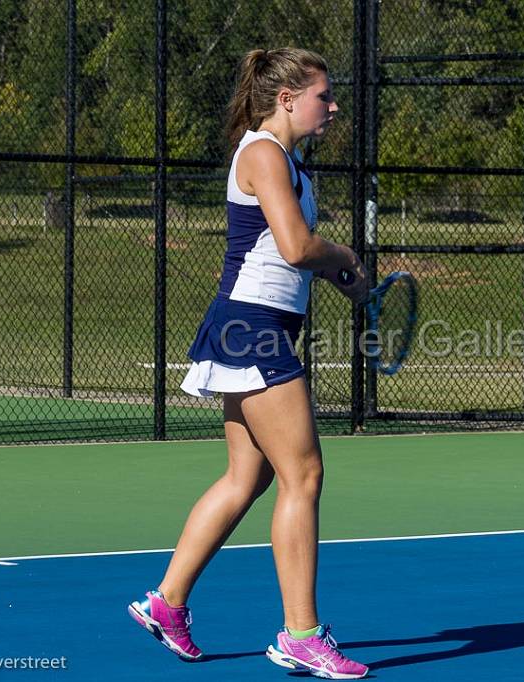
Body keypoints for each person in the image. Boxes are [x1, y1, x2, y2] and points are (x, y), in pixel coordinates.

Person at [127, 47, 370, 680]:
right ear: (288, 99)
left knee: (249, 478)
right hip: (253, 329)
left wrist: (341, 277)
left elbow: (279, 250)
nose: (333, 105)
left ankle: (166, 602)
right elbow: (294, 247)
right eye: (325, 94)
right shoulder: (263, 152)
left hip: (254, 324)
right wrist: (342, 253)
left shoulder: (286, 163)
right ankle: (301, 635)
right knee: (305, 475)